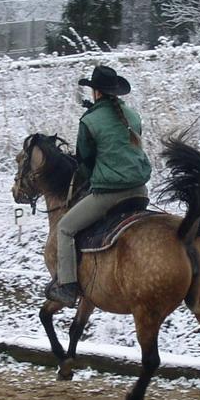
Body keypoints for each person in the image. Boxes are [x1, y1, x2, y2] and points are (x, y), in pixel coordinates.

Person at [46, 65, 152, 306]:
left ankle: (67, 287)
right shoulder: (133, 115)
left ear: (96, 92)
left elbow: (86, 161)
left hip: (111, 195)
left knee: (65, 229)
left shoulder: (90, 121)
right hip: (140, 192)